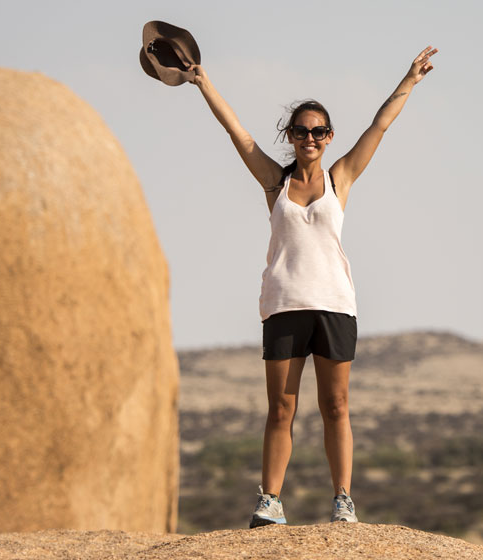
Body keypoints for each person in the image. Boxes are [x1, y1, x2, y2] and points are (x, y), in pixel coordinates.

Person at [189, 45, 438, 528]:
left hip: (334, 306)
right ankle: (271, 501)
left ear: (328, 138)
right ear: (290, 135)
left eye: (318, 131)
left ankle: (343, 499)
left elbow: (379, 126)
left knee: (336, 406)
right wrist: (202, 82)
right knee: (280, 407)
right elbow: (235, 131)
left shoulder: (340, 178)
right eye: (301, 130)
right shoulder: (273, 182)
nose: (310, 137)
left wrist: (409, 79)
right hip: (283, 304)